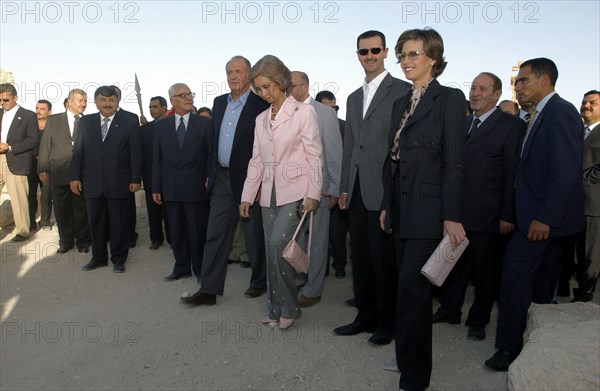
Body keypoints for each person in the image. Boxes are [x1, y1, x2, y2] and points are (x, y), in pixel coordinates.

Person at [380, 28, 467, 390]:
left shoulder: (449, 98)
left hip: (429, 209)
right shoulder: (403, 100)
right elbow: (393, 159)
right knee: (406, 291)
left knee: (413, 292)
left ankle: (415, 378)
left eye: (413, 54)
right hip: (401, 206)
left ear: (433, 57)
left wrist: (452, 214)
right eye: (402, 55)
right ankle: (406, 364)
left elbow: (454, 162)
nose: (406, 61)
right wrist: (387, 204)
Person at [485, 58, 584, 371]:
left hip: (541, 221)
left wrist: (545, 217)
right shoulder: (534, 117)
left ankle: (509, 348)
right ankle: (537, 343)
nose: (518, 87)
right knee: (542, 284)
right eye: (517, 83)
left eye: (523, 81)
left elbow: (564, 171)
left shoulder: (561, 112)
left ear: (544, 80)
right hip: (533, 218)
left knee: (514, 279)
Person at [432, 72, 525, 341]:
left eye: (483, 89)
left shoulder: (510, 126)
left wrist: (508, 215)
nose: (475, 93)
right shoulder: (459, 124)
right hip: (456, 212)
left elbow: (511, 174)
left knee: (485, 272)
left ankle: (478, 320)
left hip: (489, 215)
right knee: (453, 266)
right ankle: (449, 310)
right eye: (473, 88)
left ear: (497, 94)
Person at [335, 30, 410, 346]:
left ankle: (387, 322)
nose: (369, 56)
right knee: (361, 258)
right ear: (357, 54)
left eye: (375, 50)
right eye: (363, 51)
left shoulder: (403, 91)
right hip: (355, 191)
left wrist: (394, 194)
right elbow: (350, 146)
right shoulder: (353, 98)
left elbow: (402, 147)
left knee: (384, 262)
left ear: (385, 52)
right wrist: (342, 188)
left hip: (384, 191)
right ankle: (364, 315)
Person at [239, 54, 323, 330]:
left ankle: (290, 308)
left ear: (280, 81)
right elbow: (256, 160)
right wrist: (247, 196)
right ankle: (274, 308)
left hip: (296, 193)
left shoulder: (303, 112)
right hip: (267, 194)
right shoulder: (261, 118)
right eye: (258, 88)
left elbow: (314, 155)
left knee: (278, 246)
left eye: (266, 86)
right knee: (271, 250)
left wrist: (314, 192)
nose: (263, 93)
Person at [182, 56, 269, 304]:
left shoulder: (260, 103)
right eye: (229, 71)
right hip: (221, 178)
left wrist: (261, 182)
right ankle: (208, 290)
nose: (233, 76)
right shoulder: (219, 102)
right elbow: (213, 141)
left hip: (249, 180)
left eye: (238, 71)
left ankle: (259, 281)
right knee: (215, 234)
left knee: (254, 236)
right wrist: (210, 173)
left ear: (249, 75)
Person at [70, 85, 142, 273]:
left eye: (111, 100)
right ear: (96, 102)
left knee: (119, 224)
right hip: (92, 183)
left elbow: (136, 154)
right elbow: (78, 152)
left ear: (117, 102)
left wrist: (136, 179)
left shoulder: (129, 123)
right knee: (96, 223)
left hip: (119, 183)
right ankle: (99, 257)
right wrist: (74, 177)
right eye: (103, 100)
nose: (107, 104)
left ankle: (118, 259)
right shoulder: (85, 123)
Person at [290, 71, 342, 306]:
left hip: (319, 188)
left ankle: (314, 289)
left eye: (291, 85)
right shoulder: (286, 111)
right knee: (296, 238)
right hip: (291, 190)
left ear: (305, 86)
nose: (288, 90)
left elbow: (333, 151)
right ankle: (302, 274)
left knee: (318, 242)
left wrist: (333, 187)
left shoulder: (324, 113)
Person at [153, 83, 211, 288]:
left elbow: (210, 156)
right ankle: (181, 267)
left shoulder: (203, 124)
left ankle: (200, 268)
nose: (189, 98)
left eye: (190, 94)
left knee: (197, 231)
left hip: (196, 187)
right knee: (175, 230)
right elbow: (157, 159)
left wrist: (208, 178)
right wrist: (156, 187)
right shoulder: (161, 127)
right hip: (171, 188)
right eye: (183, 95)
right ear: (173, 100)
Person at [38, 89, 92, 253]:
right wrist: (42, 168)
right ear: (69, 101)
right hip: (59, 171)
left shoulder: (88, 122)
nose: (83, 104)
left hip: (82, 174)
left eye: (85, 101)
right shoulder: (54, 120)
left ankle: (83, 241)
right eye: (80, 100)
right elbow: (45, 144)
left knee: (81, 209)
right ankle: (66, 241)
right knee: (62, 209)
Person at [0, 83, 40, 242]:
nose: (2, 103)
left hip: (16, 159)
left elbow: (33, 140)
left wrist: (9, 147)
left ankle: (23, 230)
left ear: (15, 98)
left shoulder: (28, 116)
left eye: (5, 100)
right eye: (0, 100)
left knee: (19, 197)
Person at [316, 90, 349, 278]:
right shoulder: (310, 123)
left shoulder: (345, 126)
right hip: (317, 187)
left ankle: (339, 266)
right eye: (328, 107)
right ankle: (321, 270)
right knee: (319, 234)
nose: (333, 111)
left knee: (337, 231)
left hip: (338, 187)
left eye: (335, 107)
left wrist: (340, 187)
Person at [575, 89, 600, 302]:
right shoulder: (577, 131)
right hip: (574, 203)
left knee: (592, 254)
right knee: (576, 252)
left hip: (593, 205)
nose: (587, 106)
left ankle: (586, 295)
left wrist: (584, 180)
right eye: (584, 102)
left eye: (593, 102)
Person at [140, 96, 170, 250]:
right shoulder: (144, 129)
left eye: (155, 107)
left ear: (164, 108)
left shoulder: (172, 125)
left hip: (170, 176)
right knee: (153, 210)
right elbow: (140, 155)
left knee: (170, 210)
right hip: (151, 175)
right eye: (150, 107)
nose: (152, 110)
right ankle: (156, 238)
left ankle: (172, 237)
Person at [31, 99, 53, 230]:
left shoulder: (53, 126)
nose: (38, 111)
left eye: (42, 109)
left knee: (46, 194)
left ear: (49, 112)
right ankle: (31, 222)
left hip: (47, 165)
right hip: (30, 164)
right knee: (31, 194)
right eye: (37, 108)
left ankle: (44, 222)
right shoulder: (30, 125)